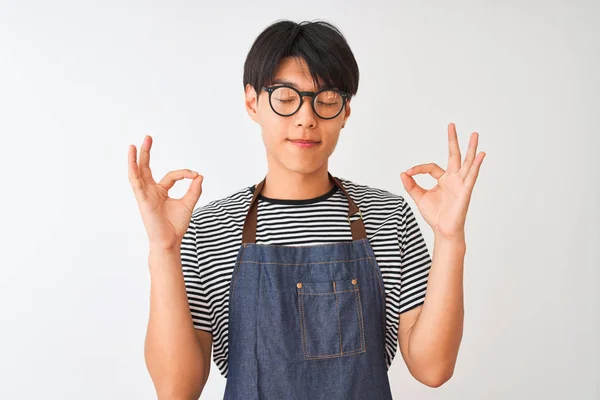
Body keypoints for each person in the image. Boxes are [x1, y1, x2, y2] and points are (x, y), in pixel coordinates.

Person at [128, 19, 485, 400]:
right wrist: (164, 250)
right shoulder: (209, 227)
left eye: (327, 100)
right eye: (285, 98)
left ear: (346, 111)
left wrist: (450, 239)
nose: (306, 118)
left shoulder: (387, 216)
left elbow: (433, 369)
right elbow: (176, 389)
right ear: (252, 102)